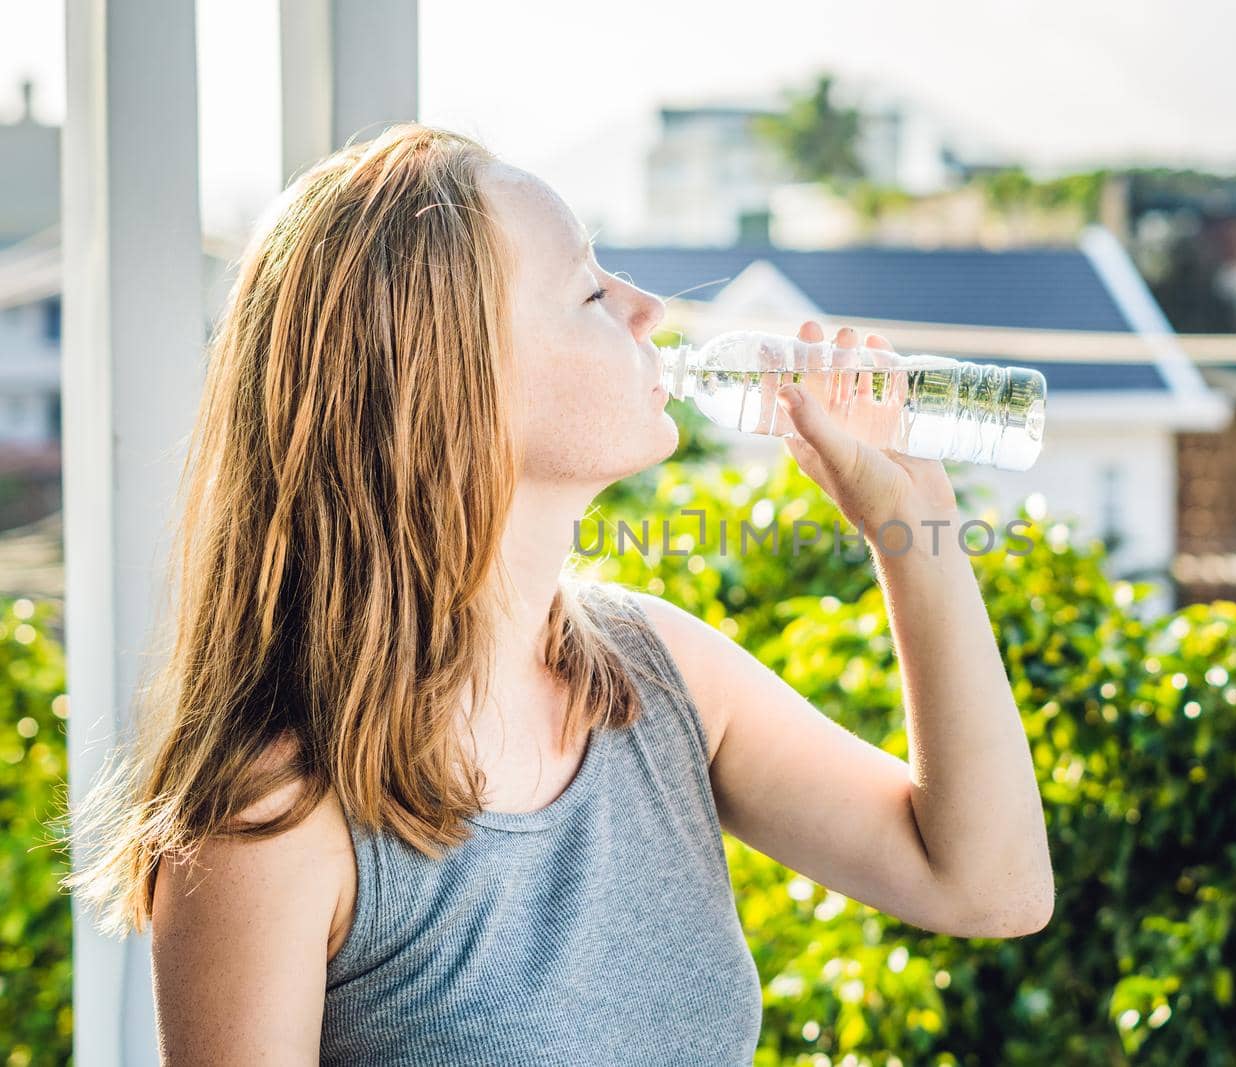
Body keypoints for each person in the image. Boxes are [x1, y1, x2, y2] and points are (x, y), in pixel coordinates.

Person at [60, 124, 1053, 1065]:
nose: (648, 311)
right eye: (588, 291)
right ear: (452, 383)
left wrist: (912, 527)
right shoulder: (272, 821)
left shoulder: (658, 677)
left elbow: (986, 884)